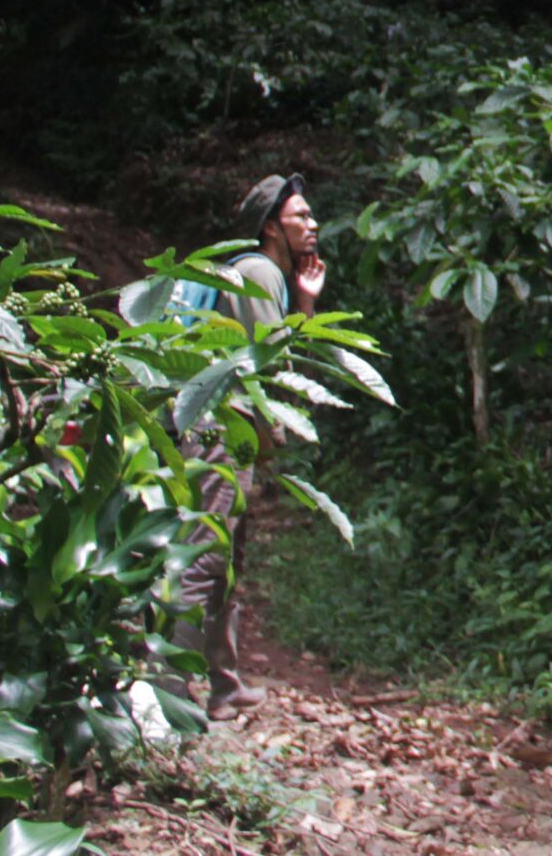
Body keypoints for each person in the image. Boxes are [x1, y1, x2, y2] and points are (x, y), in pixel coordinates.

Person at [174, 172, 326, 720]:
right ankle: (167, 691)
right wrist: (277, 436)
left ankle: (223, 684)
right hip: (218, 431)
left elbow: (281, 350)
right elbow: (269, 366)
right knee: (203, 555)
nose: (312, 225)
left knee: (225, 561)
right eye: (300, 217)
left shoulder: (265, 274)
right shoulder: (259, 271)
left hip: (224, 432)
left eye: (310, 216)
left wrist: (305, 302)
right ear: (270, 227)